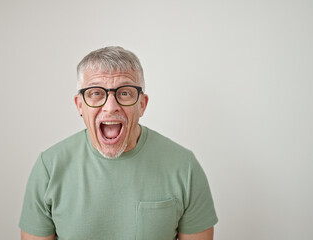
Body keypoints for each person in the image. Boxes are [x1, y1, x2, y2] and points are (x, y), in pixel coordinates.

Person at [19, 46, 218, 240]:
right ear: (80, 105)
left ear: (142, 104)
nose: (111, 107)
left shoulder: (185, 167)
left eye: (124, 93)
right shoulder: (49, 168)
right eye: (96, 93)